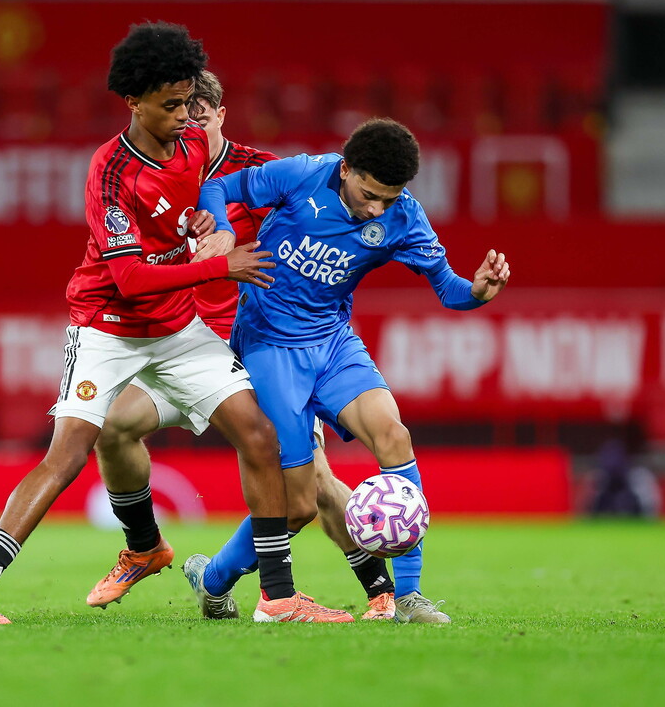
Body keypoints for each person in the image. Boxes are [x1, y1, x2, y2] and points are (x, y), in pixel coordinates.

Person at [0, 22, 348, 624]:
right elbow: (130, 279)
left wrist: (210, 223)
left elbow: (212, 196)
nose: (185, 117)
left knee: (260, 436)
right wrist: (222, 266)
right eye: (171, 105)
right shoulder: (110, 173)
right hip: (107, 326)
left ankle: (278, 598)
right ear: (133, 101)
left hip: (178, 330)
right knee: (68, 454)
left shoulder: (192, 146)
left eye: (188, 102)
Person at [86, 71, 398, 621]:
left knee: (313, 484)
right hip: (189, 346)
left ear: (221, 117)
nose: (188, 128)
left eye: (199, 117)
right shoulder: (154, 173)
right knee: (112, 428)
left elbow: (324, 243)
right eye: (179, 115)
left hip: (260, 349)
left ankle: (380, 591)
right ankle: (143, 547)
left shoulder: (260, 172)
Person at [188, 118, 511, 624]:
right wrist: (224, 230)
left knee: (394, 435)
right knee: (299, 505)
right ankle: (212, 579)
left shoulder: (403, 216)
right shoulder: (300, 174)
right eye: (369, 195)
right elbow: (217, 187)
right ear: (346, 170)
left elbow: (447, 288)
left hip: (334, 343)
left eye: (389, 198)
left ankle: (408, 597)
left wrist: (476, 292)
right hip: (270, 347)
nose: (377, 209)